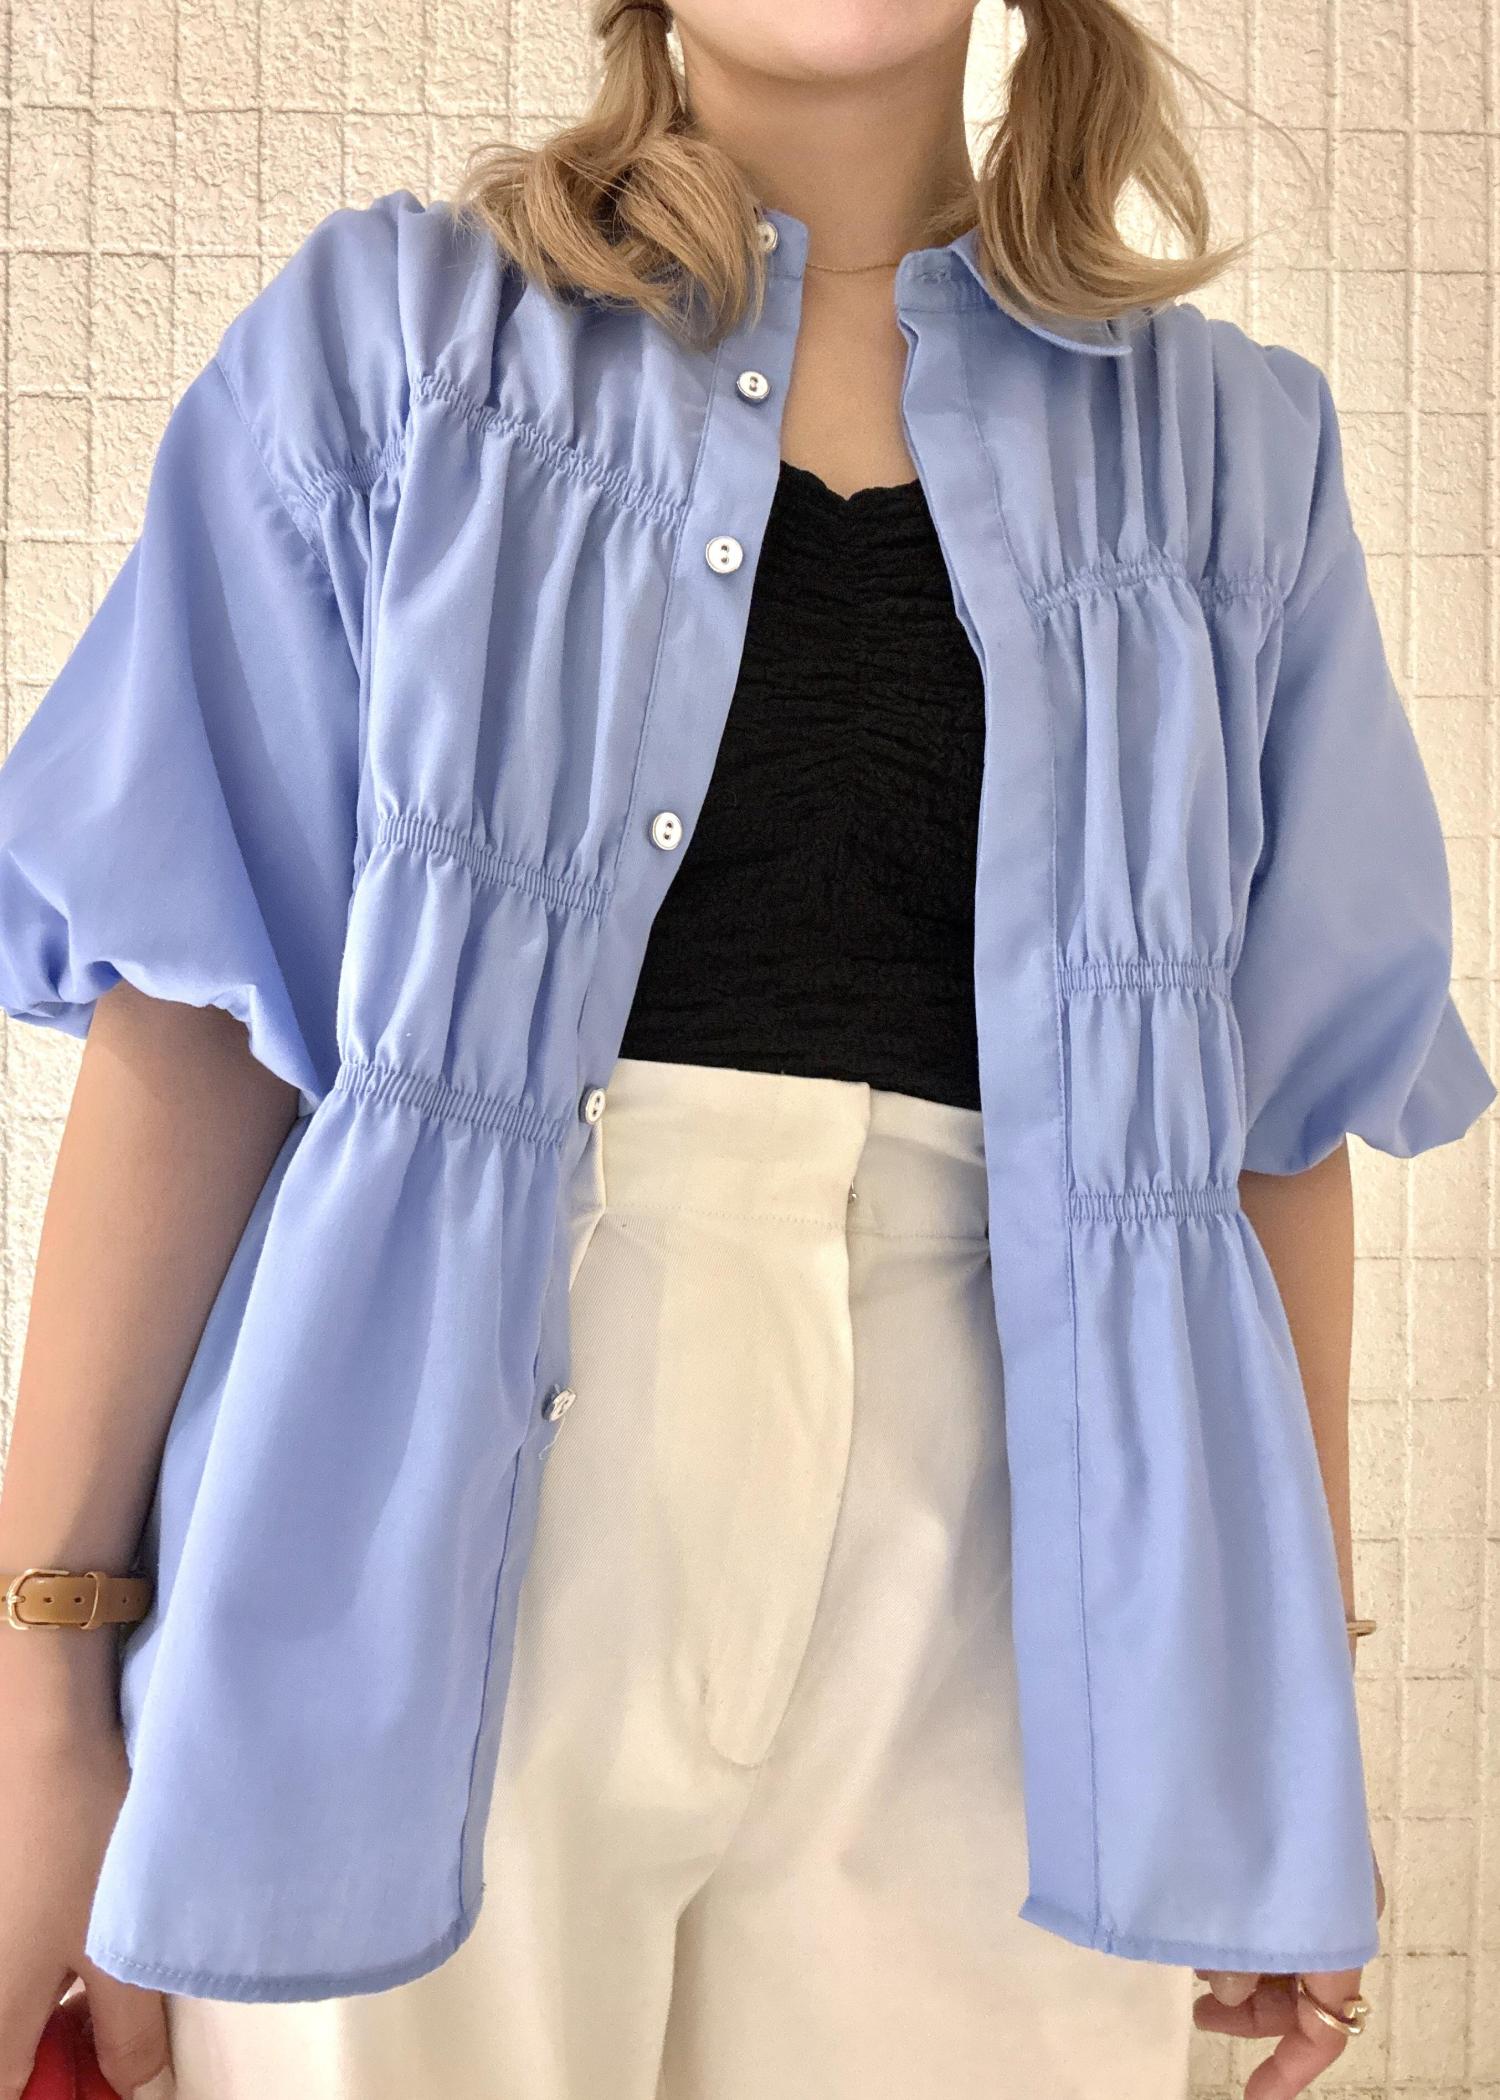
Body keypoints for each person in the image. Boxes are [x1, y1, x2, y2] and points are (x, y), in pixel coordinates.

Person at [0, 2, 1490, 2096]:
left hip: (1029, 1586)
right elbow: (199, 1017)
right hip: (412, 1544)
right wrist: (44, 1712)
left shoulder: (1233, 459)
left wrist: (1274, 1734)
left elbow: (1272, 1124)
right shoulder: (400, 351)